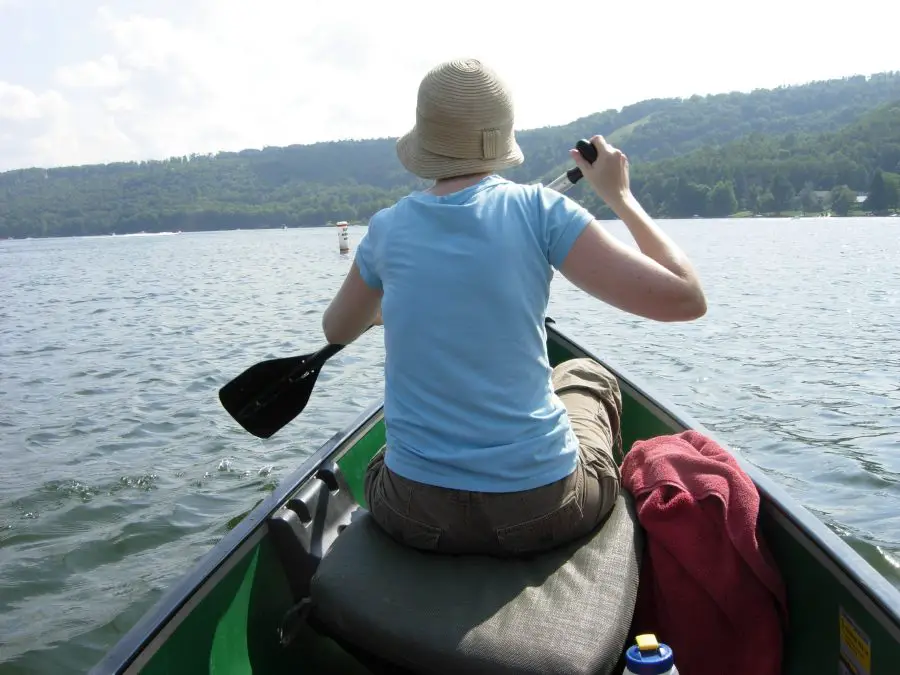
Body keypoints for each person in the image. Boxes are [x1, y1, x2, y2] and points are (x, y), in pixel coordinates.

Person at [322, 58, 706, 557]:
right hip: (543, 510)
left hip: (410, 512)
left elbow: (337, 330)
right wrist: (621, 196)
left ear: (426, 140)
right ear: (503, 135)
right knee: (587, 375)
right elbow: (686, 298)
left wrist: (381, 311)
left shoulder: (387, 228)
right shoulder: (541, 211)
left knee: (389, 457)